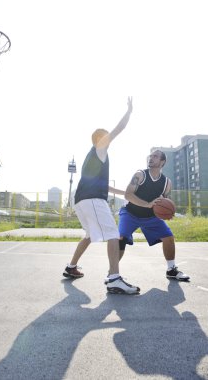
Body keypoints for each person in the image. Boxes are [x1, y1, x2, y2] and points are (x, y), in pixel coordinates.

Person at [63, 97, 140, 295]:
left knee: (89, 235)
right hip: (92, 200)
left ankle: (71, 266)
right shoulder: (99, 148)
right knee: (114, 234)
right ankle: (114, 278)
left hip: (81, 200)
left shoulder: (94, 157)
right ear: (101, 139)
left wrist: (127, 194)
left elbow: (104, 185)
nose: (109, 139)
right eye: (106, 137)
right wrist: (129, 112)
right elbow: (118, 129)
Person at [110, 150, 190, 282]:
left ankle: (171, 270)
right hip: (130, 213)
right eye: (150, 156)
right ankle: (112, 274)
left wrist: (167, 214)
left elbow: (162, 203)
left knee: (169, 237)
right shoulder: (140, 175)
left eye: (155, 156)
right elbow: (128, 194)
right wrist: (147, 204)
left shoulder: (167, 183)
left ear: (162, 162)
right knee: (121, 237)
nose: (151, 158)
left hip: (150, 217)